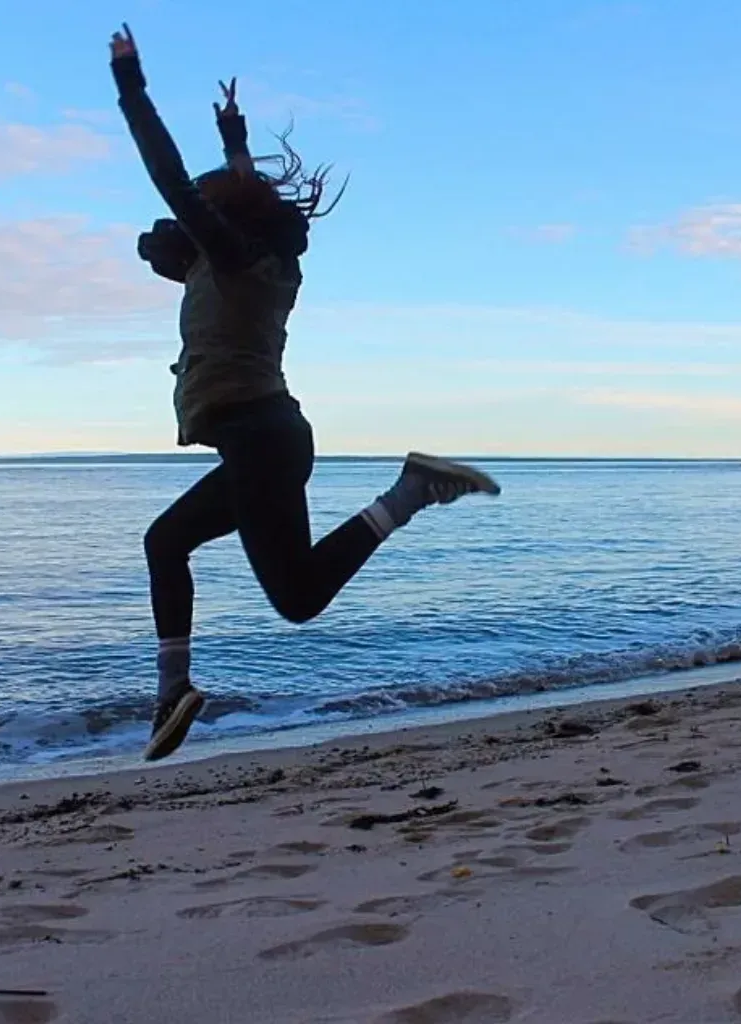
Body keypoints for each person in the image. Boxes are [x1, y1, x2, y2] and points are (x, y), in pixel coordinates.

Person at [108, 24, 501, 763]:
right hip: (266, 438)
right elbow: (231, 197)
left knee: (291, 595)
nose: (190, 216)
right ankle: (173, 690)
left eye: (211, 203)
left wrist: (130, 86)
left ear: (228, 219)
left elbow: (170, 179)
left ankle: (412, 491)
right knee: (183, 549)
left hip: (262, 439)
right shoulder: (255, 259)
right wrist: (234, 133)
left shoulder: (235, 260)